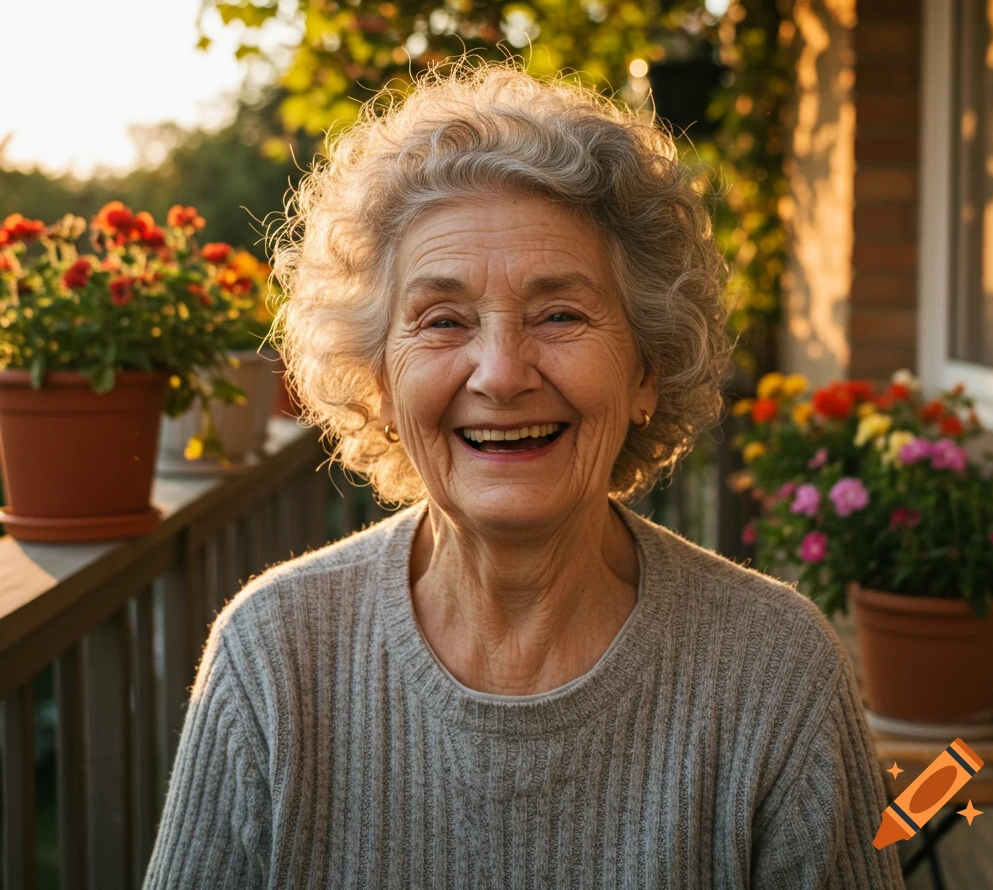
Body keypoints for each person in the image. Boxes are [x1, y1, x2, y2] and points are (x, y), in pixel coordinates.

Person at [142, 58, 905, 889]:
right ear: (380, 386)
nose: (501, 373)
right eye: (443, 320)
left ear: (646, 370)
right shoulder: (274, 657)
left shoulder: (775, 672)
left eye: (560, 314)